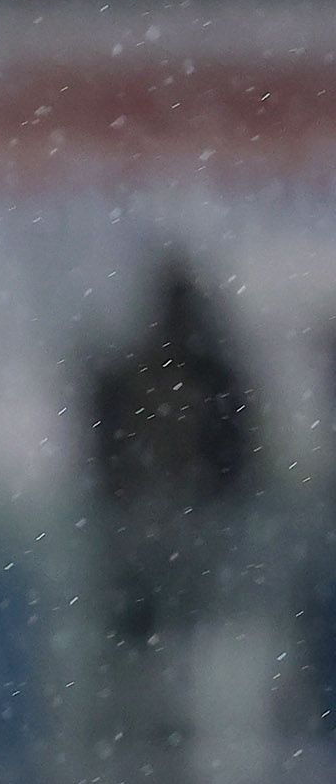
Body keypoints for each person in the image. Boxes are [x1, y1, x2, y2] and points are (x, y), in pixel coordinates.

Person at [85, 252, 260, 754]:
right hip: (152, 522)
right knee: (150, 643)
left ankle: (160, 732)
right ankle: (146, 733)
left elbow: (236, 449)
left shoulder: (204, 374)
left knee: (180, 643)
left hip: (186, 522)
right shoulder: (168, 372)